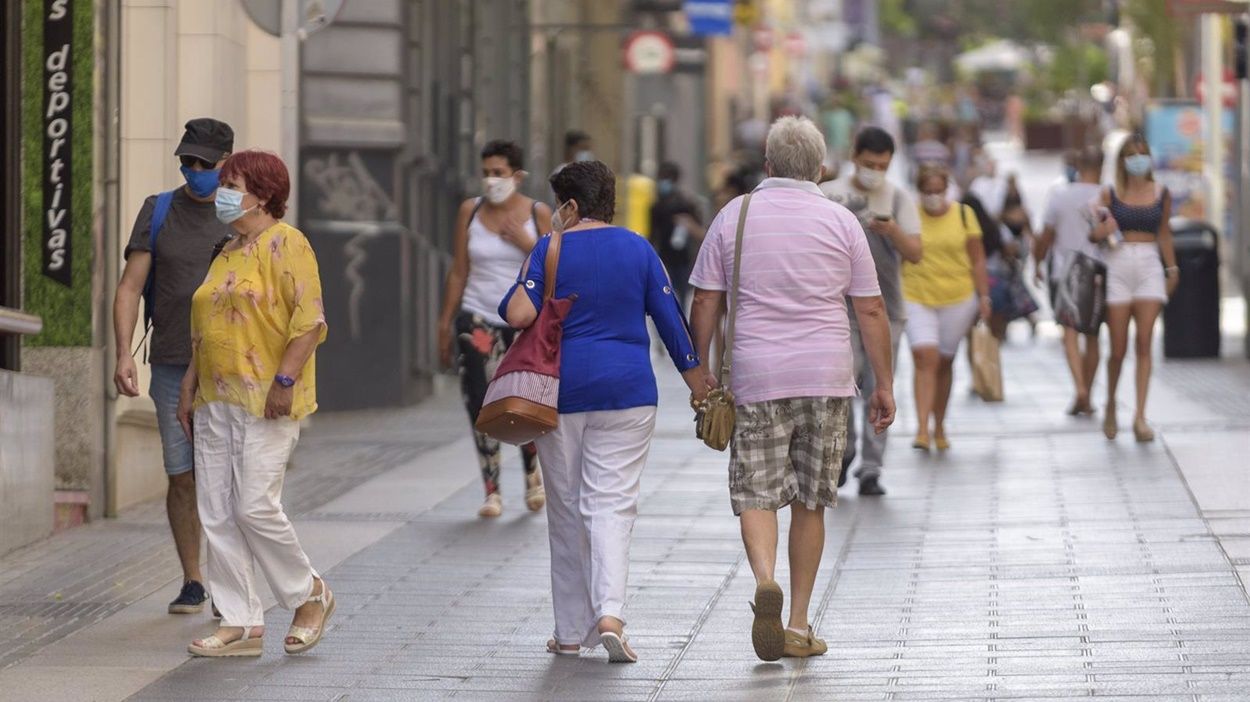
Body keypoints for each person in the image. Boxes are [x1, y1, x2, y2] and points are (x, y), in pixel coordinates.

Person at [689, 117, 896, 661]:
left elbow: (706, 300)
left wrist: (700, 372)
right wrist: (886, 385)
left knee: (756, 490)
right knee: (811, 499)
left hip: (756, 377)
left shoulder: (735, 215)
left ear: (767, 164)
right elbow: (871, 308)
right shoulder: (842, 221)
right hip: (826, 375)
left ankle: (764, 581)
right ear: (822, 168)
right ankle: (799, 623)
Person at [500, 160, 713, 663]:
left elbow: (517, 313)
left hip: (561, 393)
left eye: (558, 204)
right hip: (629, 393)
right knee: (612, 503)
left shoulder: (549, 248)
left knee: (567, 507)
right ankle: (611, 614)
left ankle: (570, 632)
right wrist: (699, 384)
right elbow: (670, 321)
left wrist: (536, 261)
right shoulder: (639, 249)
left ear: (570, 206)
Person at [177, 150, 333, 657]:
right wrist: (189, 386)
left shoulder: (289, 244)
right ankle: (241, 621)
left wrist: (284, 379)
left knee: (254, 506)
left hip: (266, 394)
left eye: (232, 183)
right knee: (216, 511)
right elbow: (207, 326)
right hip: (214, 396)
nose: (222, 192)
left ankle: (308, 593)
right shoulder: (226, 249)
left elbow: (308, 321)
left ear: (262, 194)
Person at [113, 117, 235, 617]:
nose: (195, 170)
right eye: (188, 161)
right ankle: (193, 578)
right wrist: (123, 353)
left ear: (227, 163)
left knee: (225, 478)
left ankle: (231, 584)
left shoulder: (241, 214)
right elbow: (129, 287)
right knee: (181, 474)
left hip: (229, 366)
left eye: (205, 163)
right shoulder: (159, 210)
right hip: (169, 362)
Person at [438, 140, 552, 518]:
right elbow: (459, 270)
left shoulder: (538, 214)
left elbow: (554, 268)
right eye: (486, 172)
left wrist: (526, 243)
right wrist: (445, 321)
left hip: (524, 320)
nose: (491, 180)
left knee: (522, 401)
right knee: (479, 400)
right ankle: (492, 490)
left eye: (499, 173)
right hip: (477, 317)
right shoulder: (469, 212)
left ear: (517, 176)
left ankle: (532, 477)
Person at [820, 126, 921, 497]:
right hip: (838, 307)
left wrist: (892, 231)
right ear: (854, 156)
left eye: (882, 165)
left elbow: (915, 253)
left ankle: (871, 467)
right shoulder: (828, 195)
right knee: (842, 382)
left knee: (881, 386)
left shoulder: (897, 197)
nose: (874, 171)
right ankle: (843, 451)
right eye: (868, 163)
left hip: (886, 307)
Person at [1090, 135, 1179, 442]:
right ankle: (1112, 402)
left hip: (1149, 264)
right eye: (1130, 154)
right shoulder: (1110, 193)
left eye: (1142, 154)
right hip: (1118, 262)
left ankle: (1140, 416)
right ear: (1121, 161)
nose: (1137, 159)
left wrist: (1172, 267)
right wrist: (1102, 229)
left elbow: (1164, 231)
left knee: (1144, 342)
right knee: (1117, 348)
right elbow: (1094, 234)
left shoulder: (1161, 192)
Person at [903, 166, 991, 451]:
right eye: (927, 191)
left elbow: (977, 259)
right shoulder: (909, 215)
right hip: (916, 294)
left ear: (947, 189)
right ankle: (921, 428)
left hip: (958, 298)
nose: (933, 196)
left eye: (938, 190)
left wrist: (984, 296)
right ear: (919, 191)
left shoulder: (964, 215)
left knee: (943, 362)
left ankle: (938, 424)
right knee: (924, 356)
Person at [1035, 147, 1105, 416]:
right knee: (1094, 336)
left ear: (1078, 165)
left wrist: (1038, 262)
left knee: (1069, 333)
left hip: (1064, 273)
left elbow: (1046, 235)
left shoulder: (1060, 195)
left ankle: (1080, 389)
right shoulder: (1107, 195)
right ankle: (1086, 390)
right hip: (1099, 273)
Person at [649, 161, 706, 308]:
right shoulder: (657, 206)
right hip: (664, 258)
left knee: (683, 298)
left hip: (684, 259)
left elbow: (701, 232)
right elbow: (653, 234)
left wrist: (688, 224)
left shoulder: (686, 203)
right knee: (666, 297)